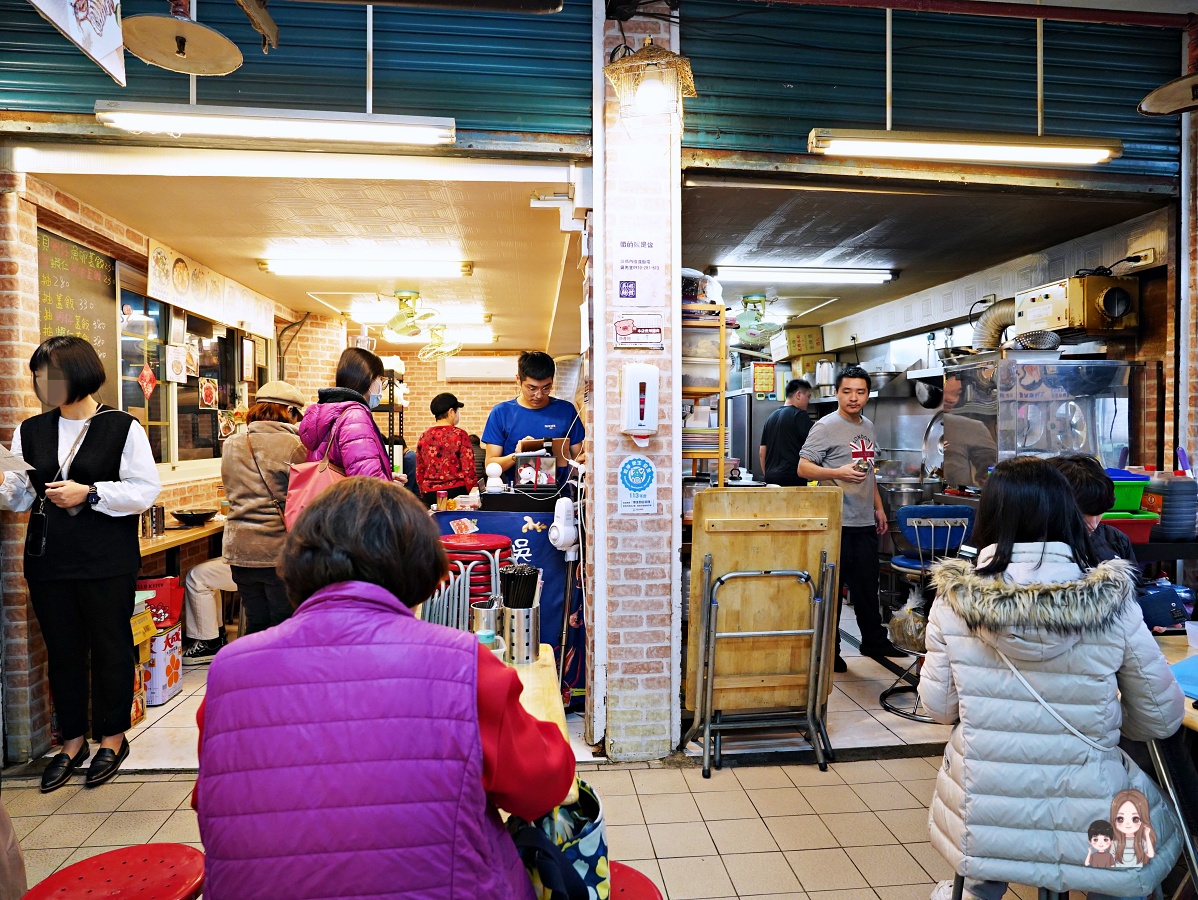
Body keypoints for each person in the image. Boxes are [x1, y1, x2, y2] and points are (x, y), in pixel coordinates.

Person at [194, 477, 576, 899]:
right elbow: (547, 784)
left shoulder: (229, 672)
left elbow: (213, 803)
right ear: (423, 570)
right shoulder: (460, 663)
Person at [919, 457, 1184, 900]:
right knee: (1129, 836)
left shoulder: (953, 603)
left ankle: (980, 889)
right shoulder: (1113, 602)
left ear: (990, 516)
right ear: (1067, 512)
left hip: (988, 807)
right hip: (1091, 807)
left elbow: (938, 707)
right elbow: (1160, 718)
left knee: (989, 842)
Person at [0, 336, 160, 791]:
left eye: (51, 375)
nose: (42, 384)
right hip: (48, 559)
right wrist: (4, 483)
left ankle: (112, 736)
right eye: (37, 376)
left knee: (110, 646)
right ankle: (71, 742)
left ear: (81, 374)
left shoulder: (122, 427)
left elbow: (145, 490)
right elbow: (19, 497)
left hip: (106, 558)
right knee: (63, 651)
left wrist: (89, 492)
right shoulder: (31, 430)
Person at [798, 365, 902, 669]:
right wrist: (835, 472)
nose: (853, 397)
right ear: (837, 393)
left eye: (860, 391)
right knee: (832, 588)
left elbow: (869, 473)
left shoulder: (868, 425)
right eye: (847, 391)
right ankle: (831, 652)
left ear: (868, 394)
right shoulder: (826, 426)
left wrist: (878, 507)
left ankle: (874, 641)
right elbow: (803, 468)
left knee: (868, 588)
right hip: (835, 522)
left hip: (864, 521)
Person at [218, 380, 309, 647]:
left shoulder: (232, 443)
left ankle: (253, 681)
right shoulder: (295, 445)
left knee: (256, 623)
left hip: (239, 550)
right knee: (283, 625)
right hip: (276, 550)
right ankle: (282, 683)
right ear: (289, 412)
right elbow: (302, 498)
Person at [483, 351, 584, 482]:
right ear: (518, 379)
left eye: (546, 388)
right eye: (532, 388)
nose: (539, 395)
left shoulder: (566, 410)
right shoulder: (501, 413)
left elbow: (578, 458)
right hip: (516, 495)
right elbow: (491, 465)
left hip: (559, 495)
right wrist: (517, 456)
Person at [299, 347, 396, 482]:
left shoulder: (330, 411)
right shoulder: (355, 416)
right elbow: (367, 482)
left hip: (330, 499)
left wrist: (387, 476)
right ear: (368, 378)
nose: (381, 386)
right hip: (348, 501)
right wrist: (389, 487)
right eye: (380, 380)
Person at [1047, 454, 1136, 563]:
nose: (1093, 524)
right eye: (1084, 513)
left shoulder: (1117, 540)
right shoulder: (1033, 546)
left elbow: (1134, 579)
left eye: (1099, 512)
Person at [416, 392, 477, 505]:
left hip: (430, 493)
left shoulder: (424, 436)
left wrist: (424, 491)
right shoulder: (460, 434)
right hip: (456, 493)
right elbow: (468, 469)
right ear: (451, 412)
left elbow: (420, 470)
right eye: (457, 411)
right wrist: (473, 491)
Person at [941, 373, 997, 488]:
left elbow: (991, 466)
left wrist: (988, 476)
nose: (952, 399)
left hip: (957, 500)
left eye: (958, 394)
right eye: (945, 391)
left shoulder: (971, 427)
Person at [181, 558, 237, 664]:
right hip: (271, 564)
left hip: (258, 565)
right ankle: (217, 636)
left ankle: (209, 642)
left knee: (196, 576)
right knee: (206, 569)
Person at [759, 378, 813, 486]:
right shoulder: (799, 415)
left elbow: (762, 452)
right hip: (792, 480)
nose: (809, 401)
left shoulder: (771, 417)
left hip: (770, 479)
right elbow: (816, 445)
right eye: (808, 396)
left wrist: (769, 475)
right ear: (798, 394)